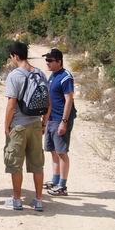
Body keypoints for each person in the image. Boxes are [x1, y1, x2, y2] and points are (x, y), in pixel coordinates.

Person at [4, 41, 46, 211]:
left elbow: (11, 105)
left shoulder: (15, 76)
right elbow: (48, 103)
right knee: (37, 164)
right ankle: (38, 200)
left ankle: (16, 200)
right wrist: (44, 122)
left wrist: (6, 126)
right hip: (36, 123)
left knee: (15, 164)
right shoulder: (40, 73)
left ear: (15, 56)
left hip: (19, 126)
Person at [43, 48, 76, 197]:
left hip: (60, 119)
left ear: (59, 61)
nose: (47, 62)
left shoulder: (65, 77)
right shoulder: (52, 76)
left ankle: (62, 186)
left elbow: (69, 99)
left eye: (50, 60)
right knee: (53, 151)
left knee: (62, 152)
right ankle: (55, 180)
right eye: (46, 60)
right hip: (51, 119)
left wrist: (64, 122)